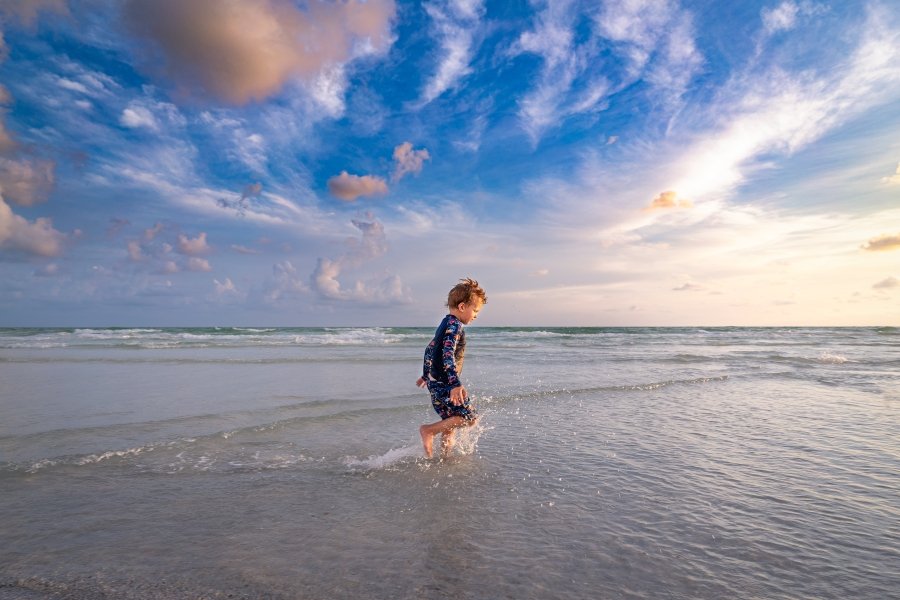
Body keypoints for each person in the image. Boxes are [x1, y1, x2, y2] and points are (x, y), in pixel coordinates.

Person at [417, 278, 487, 458]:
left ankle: (444, 458)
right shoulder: (455, 326)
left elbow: (430, 348)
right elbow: (447, 353)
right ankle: (429, 431)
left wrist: (426, 375)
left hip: (435, 381)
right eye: (475, 310)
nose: (476, 315)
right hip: (446, 382)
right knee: (469, 418)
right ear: (463, 307)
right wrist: (455, 383)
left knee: (450, 421)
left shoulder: (445, 323)